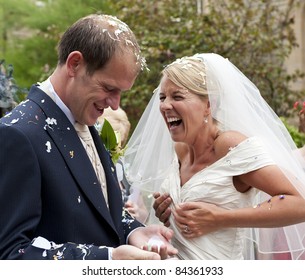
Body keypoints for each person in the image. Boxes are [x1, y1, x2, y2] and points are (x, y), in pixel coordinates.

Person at [0, 14, 178, 260]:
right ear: (74, 64)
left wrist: (133, 232)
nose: (115, 105)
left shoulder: (83, 116)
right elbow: (10, 254)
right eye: (108, 88)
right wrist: (106, 260)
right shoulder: (17, 135)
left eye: (121, 93)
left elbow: (97, 209)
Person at [122, 53, 305, 260]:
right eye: (163, 97)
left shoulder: (230, 145)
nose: (164, 105)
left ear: (209, 105)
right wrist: (166, 213)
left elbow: (299, 203)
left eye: (177, 96)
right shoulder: (180, 149)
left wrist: (220, 218)